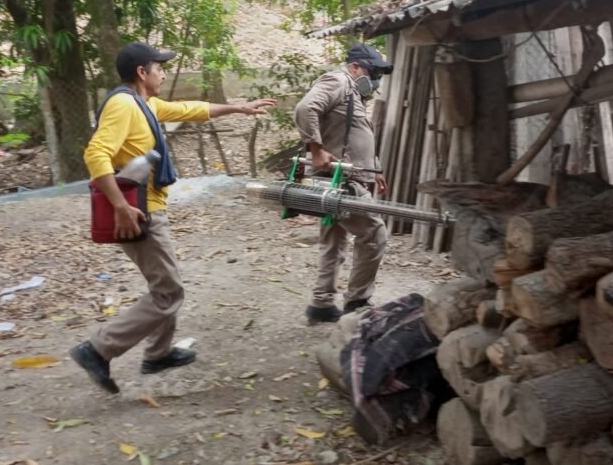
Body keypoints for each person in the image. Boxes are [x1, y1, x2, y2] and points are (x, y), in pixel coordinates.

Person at [71, 42, 275, 393]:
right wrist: (121, 207)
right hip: (138, 211)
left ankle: (159, 353)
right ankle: (98, 349)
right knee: (168, 291)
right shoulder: (124, 105)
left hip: (148, 206)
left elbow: (188, 109)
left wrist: (238, 108)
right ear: (142, 72)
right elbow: (96, 155)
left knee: (165, 283)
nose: (163, 74)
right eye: (159, 68)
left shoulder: (144, 103)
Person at [294, 43, 393, 324]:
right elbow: (305, 108)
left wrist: (375, 168)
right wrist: (315, 149)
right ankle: (358, 303)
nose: (376, 79)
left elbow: (353, 134)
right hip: (339, 180)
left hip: (344, 177)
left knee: (334, 239)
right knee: (374, 234)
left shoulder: (353, 93)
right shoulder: (338, 81)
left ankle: (322, 303)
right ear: (355, 67)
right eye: (373, 72)